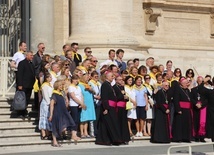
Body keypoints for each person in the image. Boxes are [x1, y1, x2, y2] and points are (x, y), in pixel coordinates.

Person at [49, 80, 81, 147]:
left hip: (63, 112)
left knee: (68, 124)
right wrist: (51, 114)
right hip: (57, 112)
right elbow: (52, 105)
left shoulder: (61, 94)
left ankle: (59, 137)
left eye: (61, 85)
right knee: (55, 127)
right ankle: (54, 141)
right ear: (57, 86)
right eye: (60, 85)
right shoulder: (54, 94)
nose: (61, 87)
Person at [95, 71, 122, 145]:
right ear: (107, 77)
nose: (113, 77)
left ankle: (108, 139)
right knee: (109, 123)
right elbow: (105, 97)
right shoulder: (105, 85)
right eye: (111, 76)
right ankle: (109, 140)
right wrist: (106, 108)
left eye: (113, 76)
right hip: (108, 107)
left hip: (112, 107)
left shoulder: (109, 85)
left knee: (107, 124)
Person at [172, 77, 193, 142]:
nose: (187, 84)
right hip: (181, 109)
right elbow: (176, 100)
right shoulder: (178, 90)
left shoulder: (187, 90)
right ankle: (179, 138)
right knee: (179, 125)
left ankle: (186, 138)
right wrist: (178, 109)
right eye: (186, 83)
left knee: (187, 124)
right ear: (182, 84)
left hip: (187, 110)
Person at [16, 51, 35, 118]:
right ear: (26, 56)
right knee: (22, 99)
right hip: (23, 85)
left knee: (27, 99)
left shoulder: (32, 64)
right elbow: (19, 75)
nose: (32, 57)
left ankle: (24, 111)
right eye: (30, 55)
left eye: (32, 55)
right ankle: (20, 112)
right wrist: (20, 84)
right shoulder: (22, 63)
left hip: (29, 85)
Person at [78, 71, 96, 138]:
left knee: (87, 118)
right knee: (83, 118)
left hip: (90, 102)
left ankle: (86, 132)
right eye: (86, 77)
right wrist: (81, 103)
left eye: (88, 77)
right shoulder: (80, 85)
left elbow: (95, 93)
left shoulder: (88, 84)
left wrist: (91, 89)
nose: (87, 78)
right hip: (84, 102)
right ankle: (82, 132)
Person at [113, 76, 130, 144]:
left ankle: (125, 138)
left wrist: (126, 98)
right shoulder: (114, 87)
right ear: (116, 80)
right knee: (119, 123)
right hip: (118, 108)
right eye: (119, 80)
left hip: (123, 107)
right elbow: (115, 97)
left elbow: (124, 97)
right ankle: (119, 138)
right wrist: (122, 96)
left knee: (124, 123)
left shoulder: (122, 87)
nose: (121, 81)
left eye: (121, 79)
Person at [191, 76, 207, 142]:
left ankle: (202, 137)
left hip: (203, 107)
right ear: (197, 82)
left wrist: (202, 104)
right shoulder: (193, 90)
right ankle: (196, 136)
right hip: (196, 107)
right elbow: (191, 98)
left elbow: (207, 99)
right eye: (199, 81)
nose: (200, 82)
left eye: (201, 81)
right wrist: (196, 104)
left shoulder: (206, 90)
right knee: (196, 122)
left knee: (203, 123)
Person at [39, 73, 53, 140]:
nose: (51, 78)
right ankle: (43, 133)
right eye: (49, 77)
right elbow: (45, 95)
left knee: (48, 117)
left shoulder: (50, 85)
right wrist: (49, 103)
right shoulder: (44, 85)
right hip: (46, 102)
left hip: (50, 101)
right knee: (44, 117)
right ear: (46, 78)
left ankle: (48, 132)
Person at [88, 71, 101, 137]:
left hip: (99, 101)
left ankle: (97, 130)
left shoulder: (99, 83)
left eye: (97, 76)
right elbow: (90, 93)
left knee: (98, 117)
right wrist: (96, 96)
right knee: (93, 117)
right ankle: (92, 132)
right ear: (92, 77)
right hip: (93, 101)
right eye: (95, 77)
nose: (96, 78)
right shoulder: (90, 83)